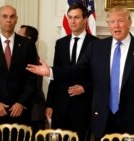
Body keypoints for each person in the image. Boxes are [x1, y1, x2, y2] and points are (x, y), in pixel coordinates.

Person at [26, 6, 134, 141]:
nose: (116, 25)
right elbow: (78, 70)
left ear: (129, 23)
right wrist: (51, 71)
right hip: (103, 118)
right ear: (108, 24)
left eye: (121, 21)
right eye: (112, 22)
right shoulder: (97, 47)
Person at [45, 3, 98, 141]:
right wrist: (49, 103)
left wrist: (84, 89)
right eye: (69, 17)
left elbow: (100, 77)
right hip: (60, 106)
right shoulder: (60, 43)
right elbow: (55, 74)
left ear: (85, 19)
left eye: (76, 17)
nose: (72, 21)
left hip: (83, 107)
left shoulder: (97, 44)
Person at [0, 5, 38, 125]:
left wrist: (21, 102)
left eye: (12, 16)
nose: (8, 20)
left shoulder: (28, 44)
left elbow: (32, 77)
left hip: (20, 112)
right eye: (4, 16)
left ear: (17, 19)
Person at [18, 25, 46, 140]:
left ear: (28, 40)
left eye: (19, 35)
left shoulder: (33, 59)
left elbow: (30, 86)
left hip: (33, 112)